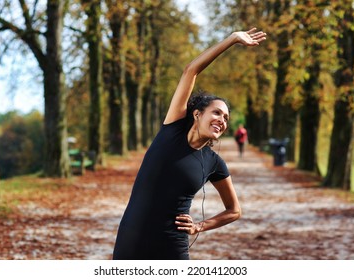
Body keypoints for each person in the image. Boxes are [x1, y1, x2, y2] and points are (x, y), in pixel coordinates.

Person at [112, 28, 266, 260]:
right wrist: (232, 39)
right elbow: (190, 70)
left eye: (226, 118)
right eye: (217, 113)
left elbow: (234, 211)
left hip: (173, 245)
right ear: (196, 114)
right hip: (132, 238)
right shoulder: (172, 129)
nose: (222, 120)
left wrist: (200, 226)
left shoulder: (214, 162)